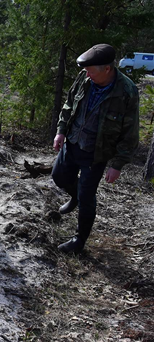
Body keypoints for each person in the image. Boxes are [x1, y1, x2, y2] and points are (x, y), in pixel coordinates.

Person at [52, 44, 139, 254]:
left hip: (96, 153)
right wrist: (61, 131)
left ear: (107, 69)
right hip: (73, 142)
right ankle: (75, 196)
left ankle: (79, 240)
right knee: (59, 177)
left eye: (91, 71)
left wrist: (117, 164)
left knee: (87, 196)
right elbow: (69, 103)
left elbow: (130, 132)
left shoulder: (126, 92)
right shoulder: (85, 78)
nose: (87, 74)